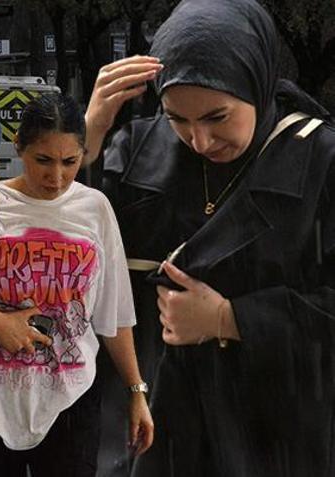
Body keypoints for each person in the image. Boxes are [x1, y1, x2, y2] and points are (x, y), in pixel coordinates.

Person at [84, 1, 335, 475]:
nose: (199, 140)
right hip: (153, 425)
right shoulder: (136, 151)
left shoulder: (319, 160)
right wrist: (88, 136)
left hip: (274, 431)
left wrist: (231, 318)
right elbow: (66, 255)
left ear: (257, 85)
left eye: (217, 117)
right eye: (177, 118)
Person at [0, 93, 154, 477]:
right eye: (43, 160)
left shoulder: (96, 209)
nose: (56, 177)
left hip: (71, 403)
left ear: (83, 154)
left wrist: (137, 392)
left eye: (69, 162)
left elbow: (114, 315)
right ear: (19, 147)